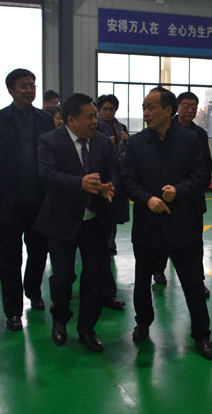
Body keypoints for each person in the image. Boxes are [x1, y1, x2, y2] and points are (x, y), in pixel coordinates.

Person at [121, 87, 212, 360]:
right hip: (148, 224)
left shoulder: (191, 140)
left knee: (192, 282)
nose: (145, 112)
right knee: (142, 281)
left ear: (168, 110)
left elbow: (202, 175)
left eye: (151, 107)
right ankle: (142, 322)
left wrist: (179, 191)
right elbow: (127, 179)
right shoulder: (136, 143)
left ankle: (202, 334)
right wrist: (147, 199)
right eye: (144, 107)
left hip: (182, 223)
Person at [0, 68, 54, 331]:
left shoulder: (45, 120)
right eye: (23, 86)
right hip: (7, 202)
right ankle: (13, 310)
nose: (29, 90)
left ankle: (33, 291)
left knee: (39, 251)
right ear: (10, 90)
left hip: (39, 202)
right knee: (8, 257)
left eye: (32, 85)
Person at [34, 93, 119, 352]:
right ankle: (60, 319)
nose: (95, 121)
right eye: (90, 117)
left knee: (94, 277)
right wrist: (80, 183)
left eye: (96, 116)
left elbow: (115, 171)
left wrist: (110, 186)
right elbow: (48, 175)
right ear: (71, 120)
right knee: (62, 278)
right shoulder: (50, 141)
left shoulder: (103, 142)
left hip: (94, 223)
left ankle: (87, 329)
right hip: (61, 221)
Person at [152, 91, 212, 298]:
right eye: (186, 106)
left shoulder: (199, 134)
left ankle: (198, 280)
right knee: (163, 237)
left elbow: (206, 165)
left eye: (194, 106)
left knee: (195, 243)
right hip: (166, 195)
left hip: (191, 197)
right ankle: (158, 269)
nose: (190, 110)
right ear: (176, 107)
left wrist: (196, 184)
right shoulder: (165, 129)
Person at [95, 94, 128, 310]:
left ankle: (111, 241)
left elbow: (126, 151)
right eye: (105, 109)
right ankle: (106, 242)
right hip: (102, 178)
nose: (108, 112)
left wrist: (126, 140)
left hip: (119, 176)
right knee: (103, 216)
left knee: (114, 215)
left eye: (111, 109)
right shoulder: (96, 128)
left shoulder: (121, 127)